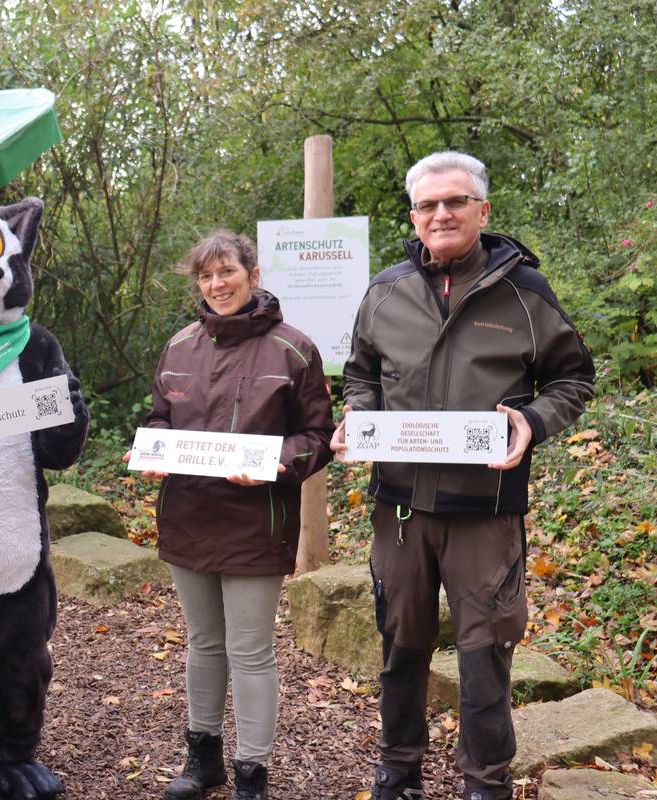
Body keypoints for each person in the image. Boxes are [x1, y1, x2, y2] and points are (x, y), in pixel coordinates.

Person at [332, 152, 594, 800]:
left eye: (455, 201)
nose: (441, 214)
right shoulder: (386, 291)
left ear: (483, 210)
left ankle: (486, 782)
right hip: (400, 508)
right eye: (428, 205)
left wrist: (532, 420)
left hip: (486, 507)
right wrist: (358, 417)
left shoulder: (525, 292)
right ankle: (398, 771)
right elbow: (361, 374)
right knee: (400, 645)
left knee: (485, 653)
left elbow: (573, 378)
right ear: (413, 216)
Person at [136, 230, 334, 800]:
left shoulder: (293, 349)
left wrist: (274, 464)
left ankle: (252, 774)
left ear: (253, 275)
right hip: (187, 516)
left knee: (249, 651)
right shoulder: (179, 347)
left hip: (255, 522)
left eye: (227, 272)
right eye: (206, 276)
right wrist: (153, 451)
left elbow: (317, 436)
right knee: (203, 642)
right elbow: (159, 419)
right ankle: (203, 761)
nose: (217, 285)